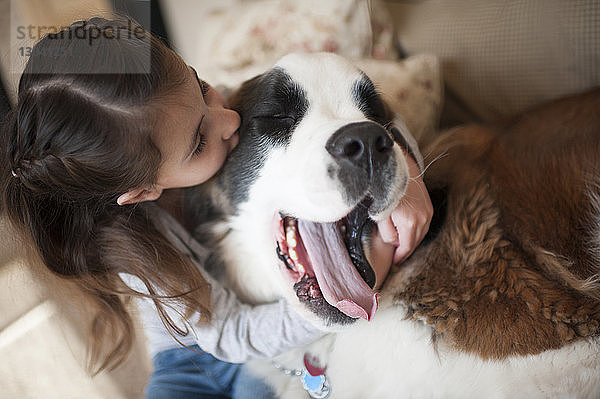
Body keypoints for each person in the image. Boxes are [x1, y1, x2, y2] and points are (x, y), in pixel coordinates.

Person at [0, 17, 432, 399]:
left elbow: (367, 108)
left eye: (202, 87)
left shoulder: (199, 110)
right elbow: (229, 335)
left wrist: (406, 171)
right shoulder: (140, 250)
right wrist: (335, 307)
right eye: (198, 142)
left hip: (252, 349)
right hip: (194, 354)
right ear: (145, 190)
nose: (228, 121)